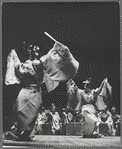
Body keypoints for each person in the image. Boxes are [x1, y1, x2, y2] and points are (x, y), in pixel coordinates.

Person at [3, 34, 79, 141]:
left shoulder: (38, 63)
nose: (30, 51)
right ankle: (22, 133)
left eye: (31, 49)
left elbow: (23, 71)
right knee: (26, 114)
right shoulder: (35, 67)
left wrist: (59, 49)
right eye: (28, 49)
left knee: (28, 114)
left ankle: (21, 132)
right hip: (30, 92)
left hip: (32, 92)